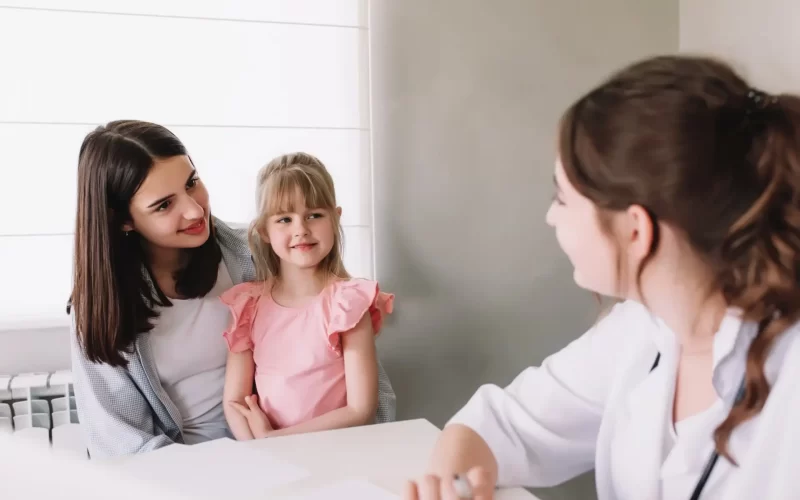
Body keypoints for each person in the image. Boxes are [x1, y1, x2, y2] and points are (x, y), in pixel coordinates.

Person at [405, 55, 800, 499]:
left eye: (562, 198)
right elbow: (497, 424)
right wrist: (455, 488)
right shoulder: (642, 327)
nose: (550, 217)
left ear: (635, 229)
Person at [69, 121, 396, 459]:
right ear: (123, 220)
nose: (195, 210)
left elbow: (356, 384)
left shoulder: (257, 254)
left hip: (294, 453)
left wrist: (361, 451)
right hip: (184, 473)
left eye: (192, 183)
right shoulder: (102, 310)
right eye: (164, 205)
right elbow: (121, 443)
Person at [220, 152, 394, 439]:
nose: (301, 230)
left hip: (336, 450)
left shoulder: (348, 303)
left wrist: (277, 440)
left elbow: (360, 409)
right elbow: (234, 401)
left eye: (314, 215)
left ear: (335, 219)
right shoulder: (248, 306)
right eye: (285, 219)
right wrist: (258, 447)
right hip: (267, 456)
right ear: (264, 230)